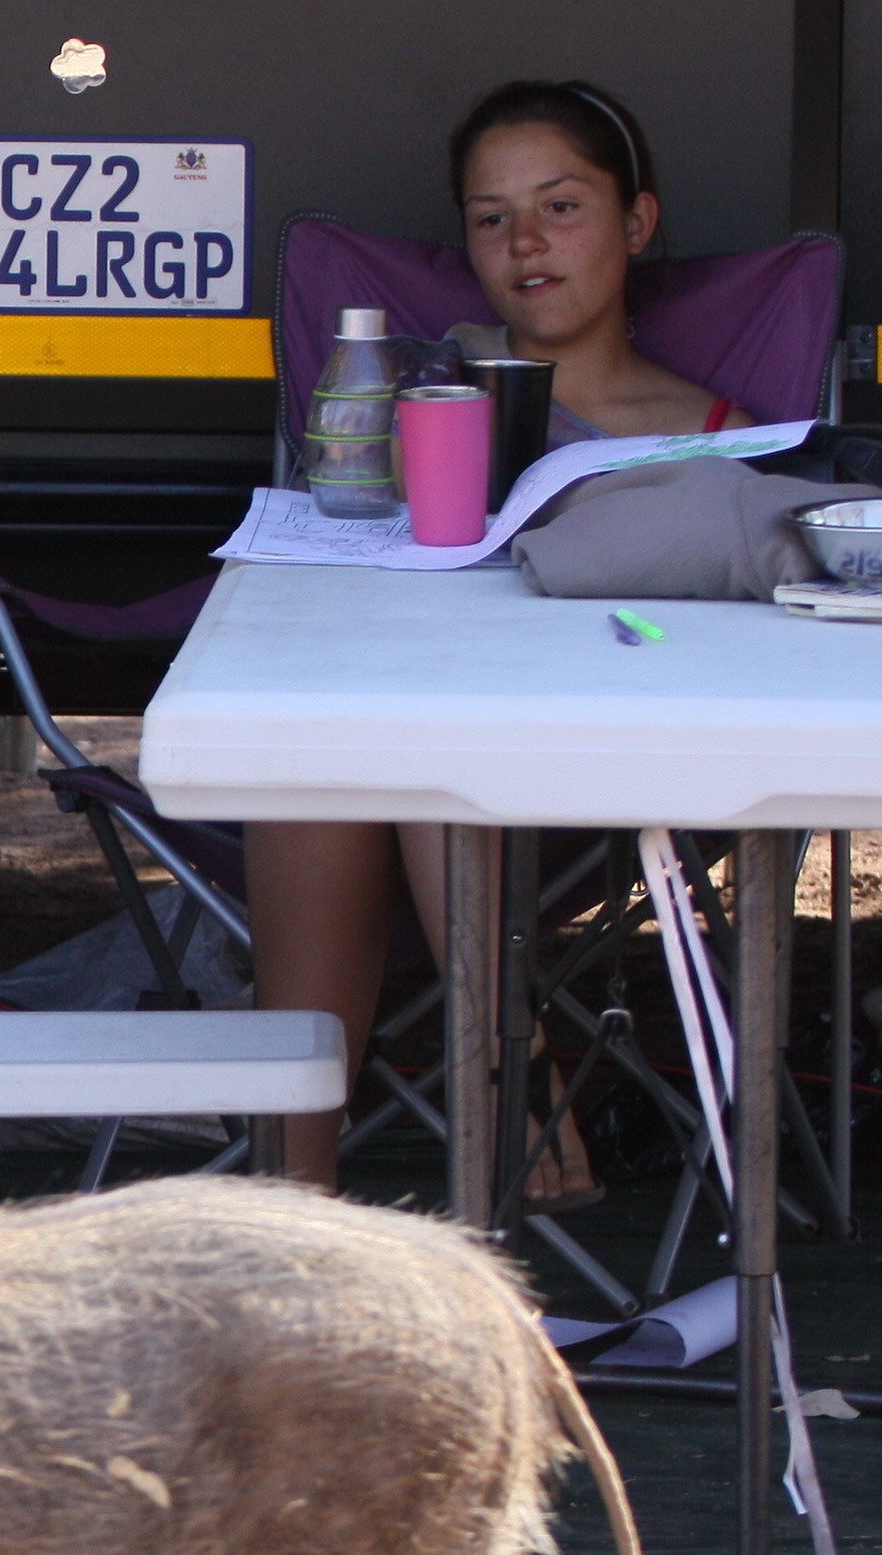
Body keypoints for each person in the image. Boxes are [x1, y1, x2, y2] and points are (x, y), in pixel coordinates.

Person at [244, 80, 734, 1201]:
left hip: (616, 760)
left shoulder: (716, 434)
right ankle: (295, 1196)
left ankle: (503, 1077)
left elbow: (700, 627)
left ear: (636, 223)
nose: (523, 243)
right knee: (323, 757)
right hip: (430, 735)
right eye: (489, 216)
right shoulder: (419, 401)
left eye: (560, 207)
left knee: (416, 741)